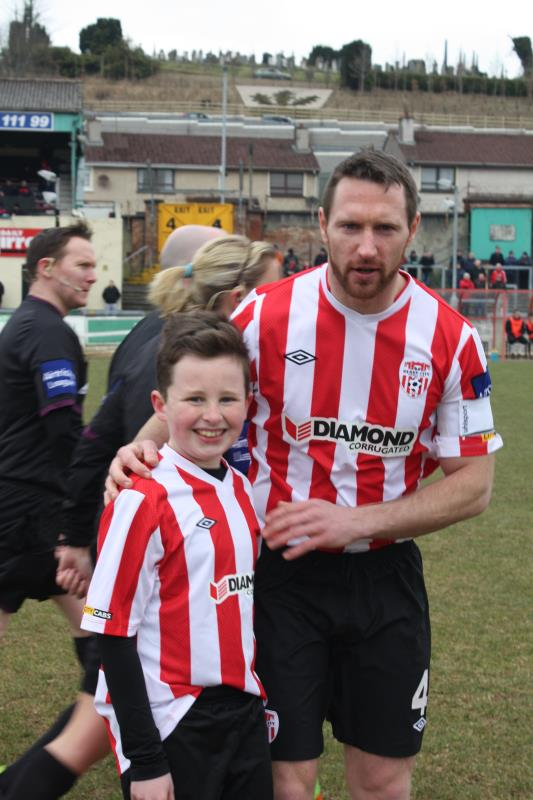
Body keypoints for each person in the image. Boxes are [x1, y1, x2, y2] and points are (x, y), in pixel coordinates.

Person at [110, 150, 503, 800]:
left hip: (384, 583)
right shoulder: (266, 315)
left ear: (412, 229)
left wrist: (356, 521)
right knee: (285, 780)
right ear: (322, 225)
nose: (366, 246)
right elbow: (195, 391)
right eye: (350, 226)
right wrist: (138, 448)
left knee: (382, 779)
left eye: (384, 228)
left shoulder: (450, 337)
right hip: (277, 579)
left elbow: (475, 484)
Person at [81, 312, 272, 800]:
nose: (213, 415)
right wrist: (145, 759)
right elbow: (112, 635)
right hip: (173, 722)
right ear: (160, 405)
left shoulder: (241, 488)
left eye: (227, 398)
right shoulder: (142, 497)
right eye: (194, 399)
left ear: (248, 402)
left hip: (243, 714)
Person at [0, 223, 106, 799]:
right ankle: (101, 714)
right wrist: (92, 483)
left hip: (27, 506)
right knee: (97, 618)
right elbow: (63, 426)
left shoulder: (27, 324)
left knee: (96, 620)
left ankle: (104, 710)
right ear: (46, 267)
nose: (93, 276)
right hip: (29, 511)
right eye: (82, 265)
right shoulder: (47, 332)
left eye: (94, 266)